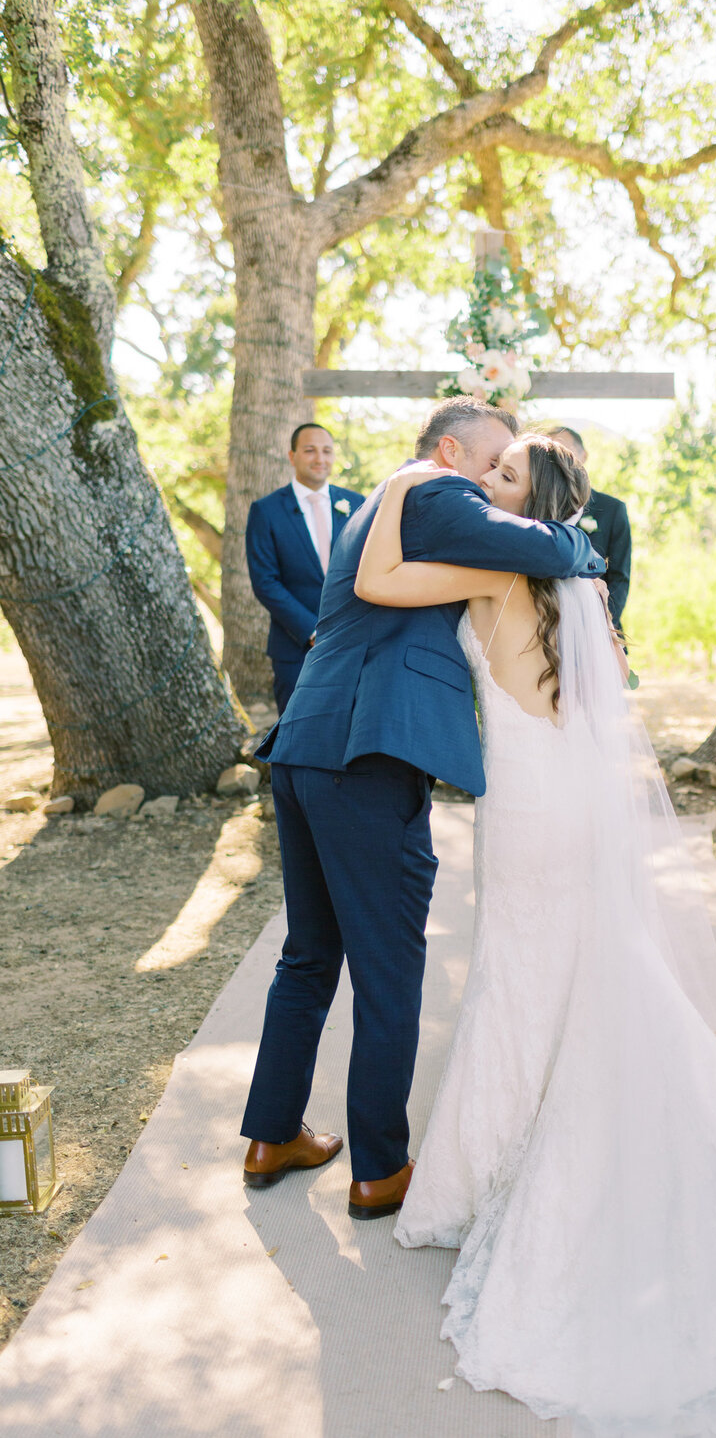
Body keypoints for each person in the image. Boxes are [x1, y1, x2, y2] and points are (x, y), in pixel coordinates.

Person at [355, 434, 716, 1438]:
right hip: (578, 800)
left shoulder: (495, 563)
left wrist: (397, 487)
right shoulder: (581, 578)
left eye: (502, 477)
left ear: (531, 501)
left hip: (523, 807)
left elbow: (379, 577)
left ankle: (492, 1173)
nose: (485, 485)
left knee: (518, 975)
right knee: (585, 967)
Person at [240, 399, 605, 1215]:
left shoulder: (387, 508)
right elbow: (544, 544)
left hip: (307, 747)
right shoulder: (435, 489)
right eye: (492, 463)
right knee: (389, 969)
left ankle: (272, 1133)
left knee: (310, 953)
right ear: (452, 450)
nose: (491, 483)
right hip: (368, 756)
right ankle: (379, 1167)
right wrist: (580, 539)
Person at [245, 423, 364, 712]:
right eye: (310, 450)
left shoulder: (357, 503)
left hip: (352, 645)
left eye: (327, 451)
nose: (320, 458)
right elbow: (265, 582)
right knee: (294, 736)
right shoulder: (266, 511)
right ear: (292, 455)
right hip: (294, 648)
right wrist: (311, 631)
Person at [547, 424, 631, 630]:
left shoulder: (612, 509)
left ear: (583, 456)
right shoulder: (537, 508)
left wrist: (604, 621)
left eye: (564, 451)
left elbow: (619, 577)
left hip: (598, 624)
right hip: (549, 624)